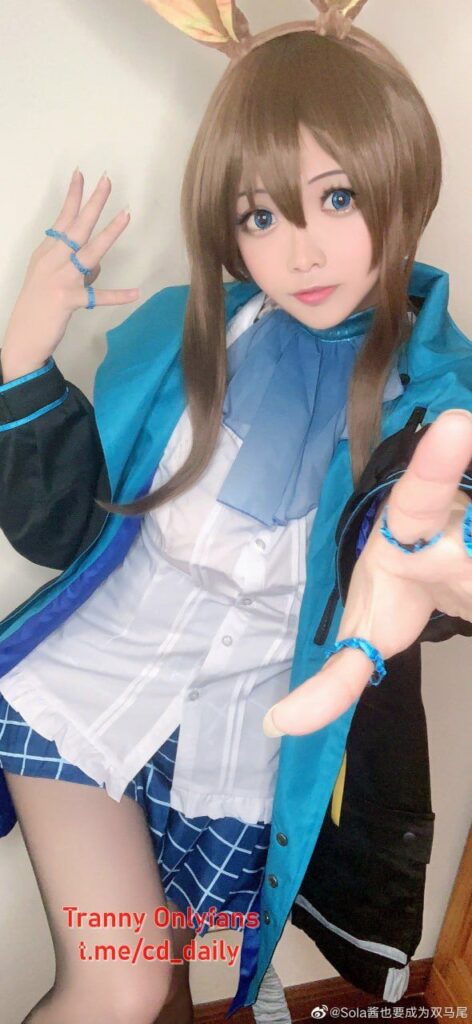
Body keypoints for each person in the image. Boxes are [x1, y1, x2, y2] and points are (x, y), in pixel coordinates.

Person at [0, 1, 471, 1022]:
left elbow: (439, 516)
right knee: (123, 981)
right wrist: (22, 363)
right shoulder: (181, 336)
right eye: (262, 216)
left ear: (400, 178)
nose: (302, 252)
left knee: (168, 969)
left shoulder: (437, 395)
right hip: (93, 694)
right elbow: (64, 534)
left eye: (336, 197)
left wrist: (444, 549)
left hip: (239, 753)